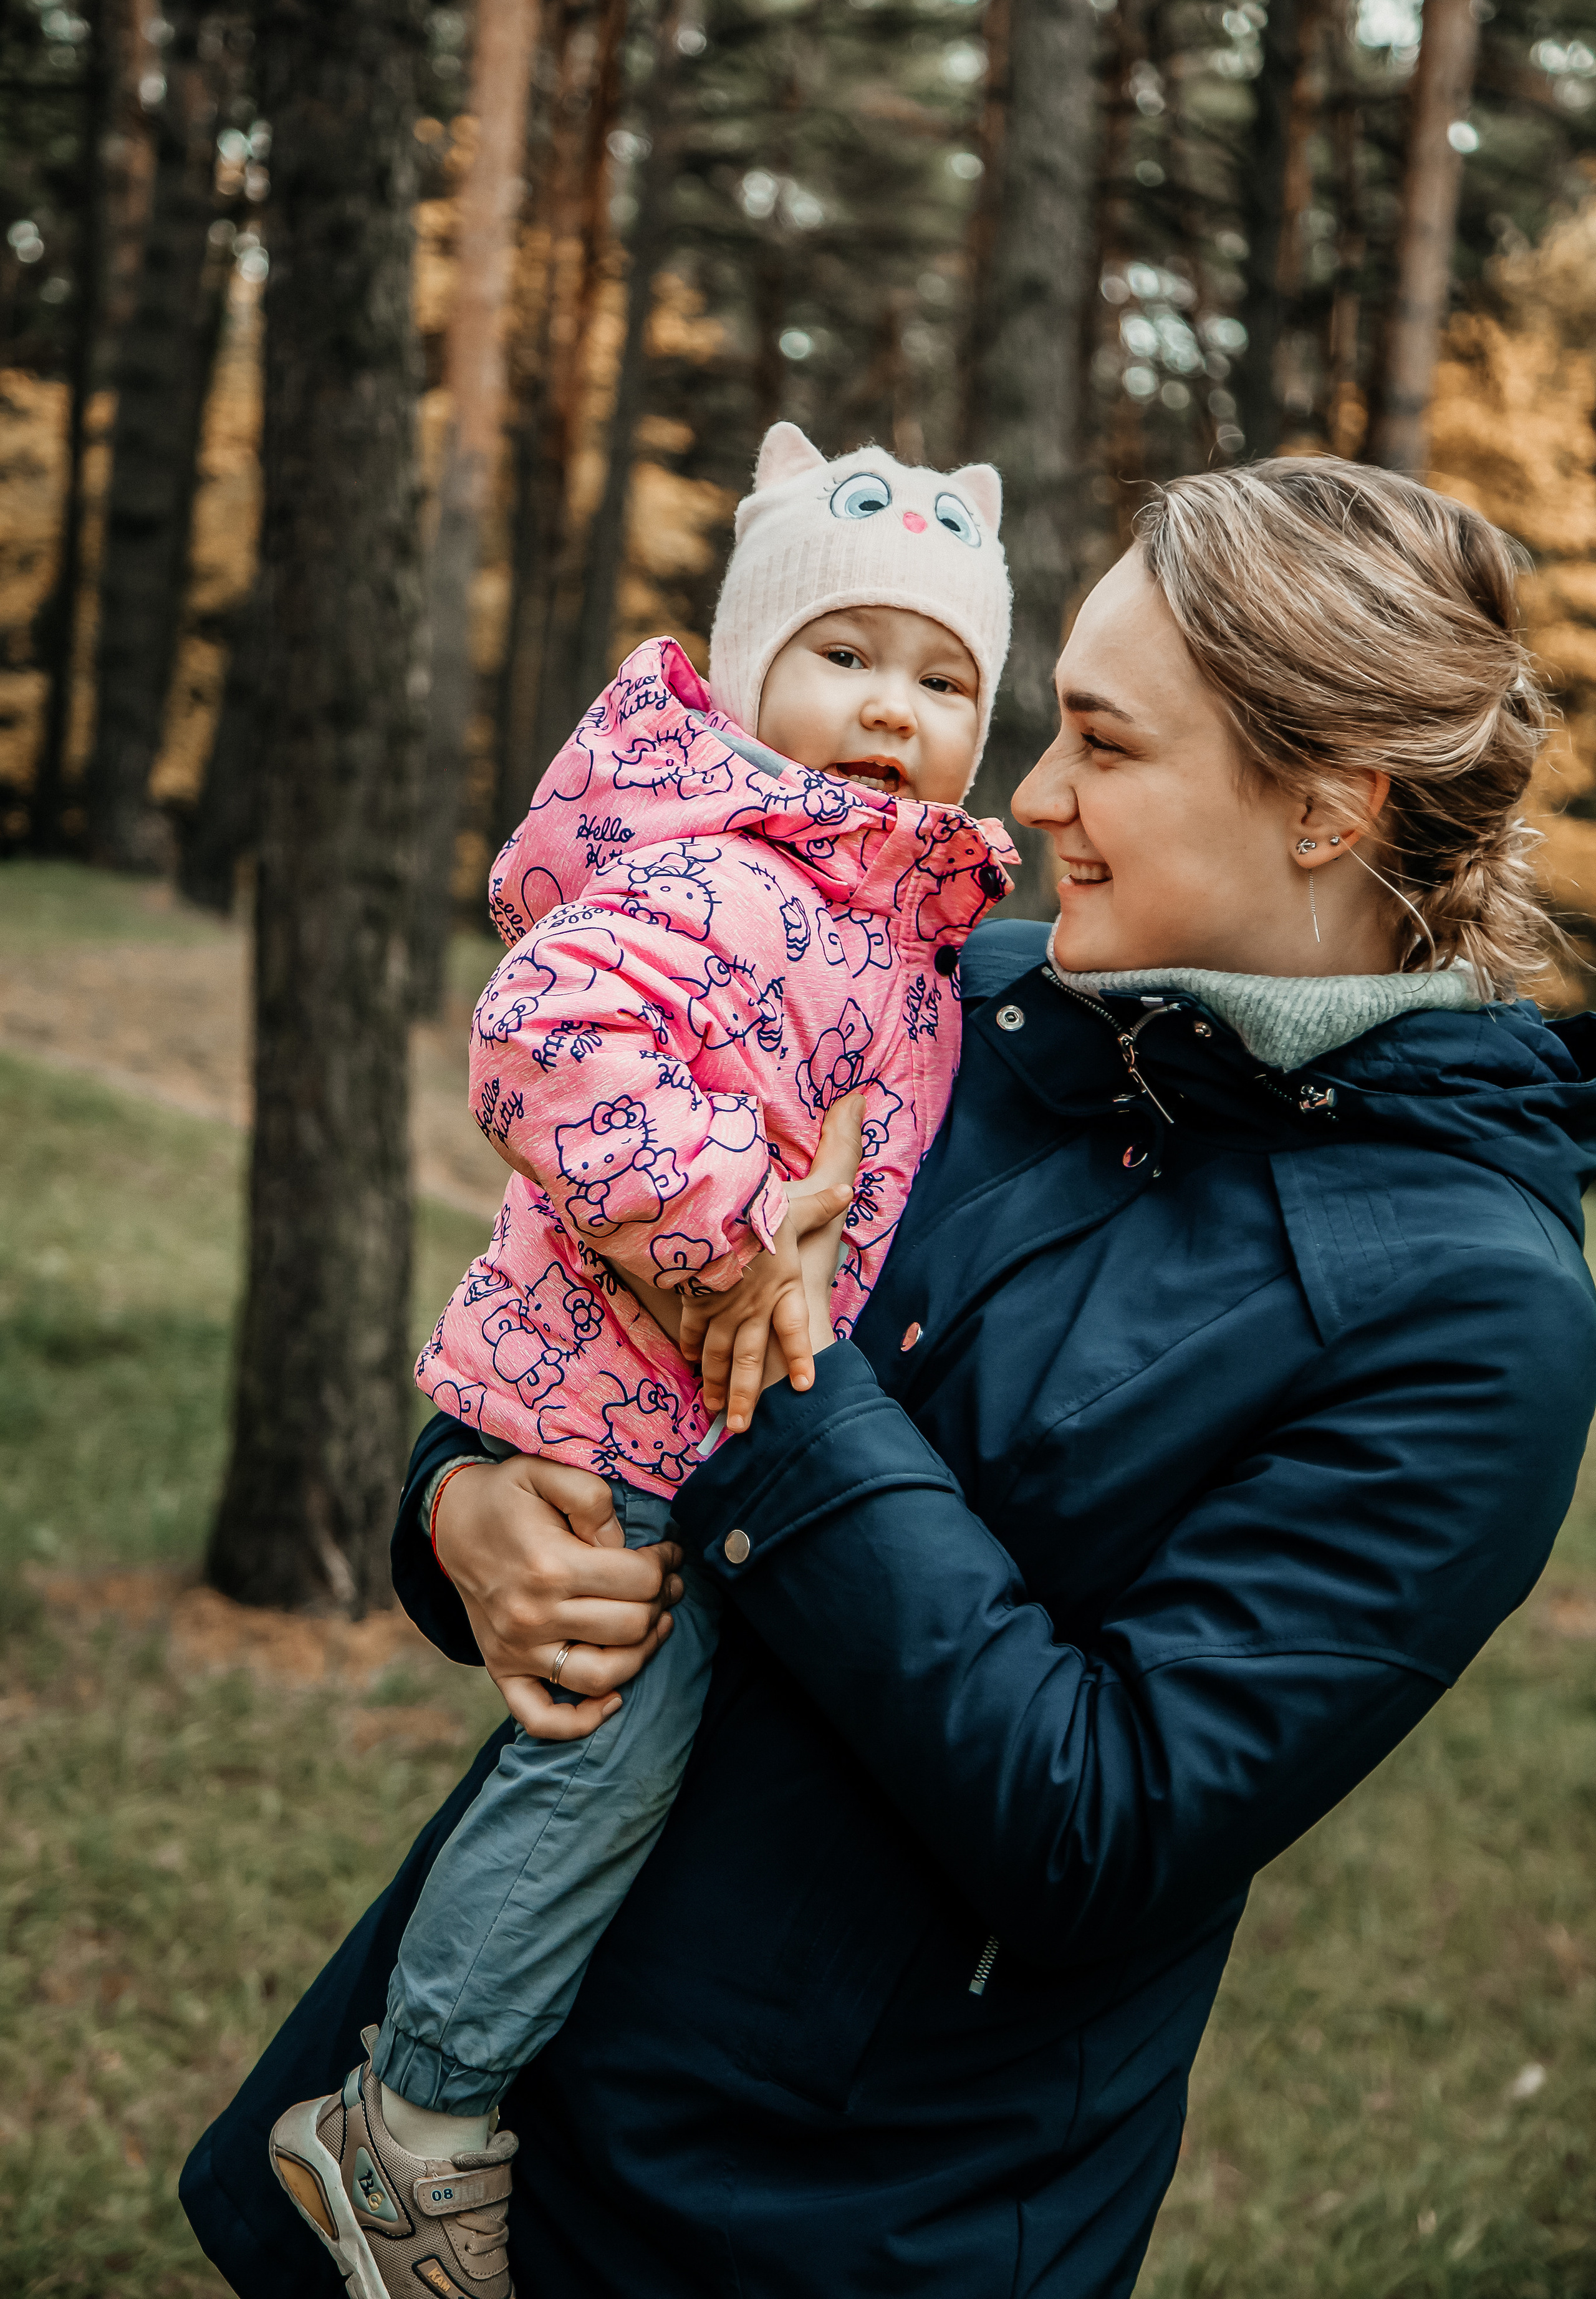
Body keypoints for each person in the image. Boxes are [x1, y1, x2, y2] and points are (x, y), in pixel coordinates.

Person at [184, 457, 1596, 2299]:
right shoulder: (966, 1005)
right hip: (484, 2098)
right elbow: (604, 1298)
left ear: (1327, 807)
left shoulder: (1472, 1316)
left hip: (832, 2220)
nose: (1032, 795)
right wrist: (457, 1500)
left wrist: (786, 1365)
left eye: (1102, 743)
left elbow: (1100, 1827)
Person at [265, 420, 1016, 2299]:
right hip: (635, 1418)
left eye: (943, 681)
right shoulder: (732, 878)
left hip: (704, 1431)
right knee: (600, 1761)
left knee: (619, 1763)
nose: (889, 710)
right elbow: (541, 1031)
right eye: (842, 655)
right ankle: (411, 2118)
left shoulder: (895, 929)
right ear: (747, 667)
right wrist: (723, 1234)